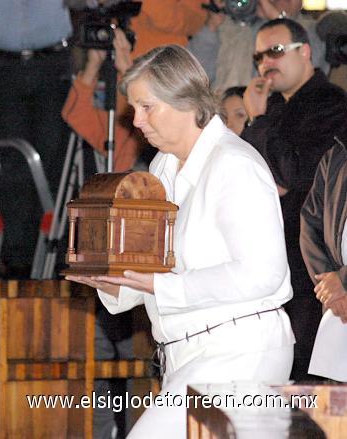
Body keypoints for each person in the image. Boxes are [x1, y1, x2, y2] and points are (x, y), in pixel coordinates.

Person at [66, 44, 295, 438]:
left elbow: (263, 274)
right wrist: (113, 281)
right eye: (134, 108)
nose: (136, 120)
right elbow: (158, 267)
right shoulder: (162, 166)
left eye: (146, 106)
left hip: (240, 352)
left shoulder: (234, 165)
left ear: (186, 101)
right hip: (188, 354)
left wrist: (157, 284)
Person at [241, 17, 347, 381]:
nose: (265, 64)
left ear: (305, 52)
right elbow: (254, 181)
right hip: (277, 264)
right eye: (259, 57)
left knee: (311, 382)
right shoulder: (274, 110)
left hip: (312, 271)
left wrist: (257, 118)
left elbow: (290, 177)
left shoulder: (330, 102)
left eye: (275, 51)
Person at [62, 0, 207, 172]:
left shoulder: (170, 118)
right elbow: (75, 114)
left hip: (167, 87)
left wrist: (129, 71)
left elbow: (194, 21)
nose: (139, 120)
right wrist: (93, 65)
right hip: (125, 94)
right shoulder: (130, 118)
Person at [0, 0, 73, 277]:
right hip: (3, 65)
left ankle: (57, 255)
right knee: (12, 163)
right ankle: (18, 260)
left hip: (54, 62)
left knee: (55, 160)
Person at [188, 0, 328, 92]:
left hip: (274, 123)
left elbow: (308, 71)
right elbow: (191, 77)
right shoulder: (229, 26)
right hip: (226, 121)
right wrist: (212, 23)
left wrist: (278, 19)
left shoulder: (312, 30)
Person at [300, 135, 347, 382]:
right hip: (339, 311)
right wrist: (330, 289)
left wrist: (343, 281)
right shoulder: (337, 154)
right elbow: (311, 224)